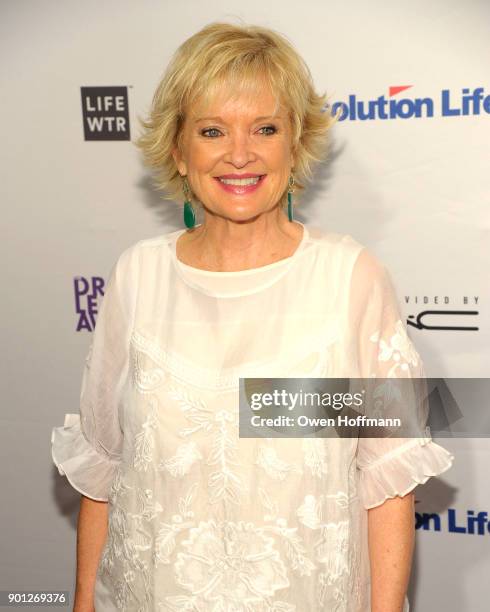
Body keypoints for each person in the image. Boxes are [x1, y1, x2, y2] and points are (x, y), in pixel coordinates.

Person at [51, 21, 454, 612]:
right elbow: (105, 469)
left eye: (265, 128)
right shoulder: (138, 276)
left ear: (294, 147)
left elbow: (388, 479)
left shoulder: (349, 279)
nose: (240, 154)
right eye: (213, 130)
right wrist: (84, 600)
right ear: (178, 152)